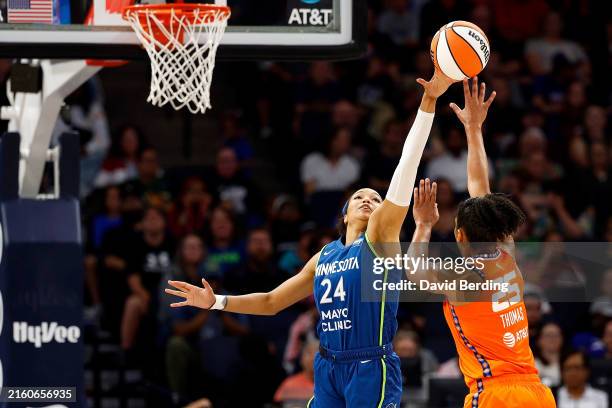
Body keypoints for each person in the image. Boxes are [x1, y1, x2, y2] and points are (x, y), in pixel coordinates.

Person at [165, 68, 456, 407]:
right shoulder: (324, 257)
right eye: (359, 197)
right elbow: (273, 302)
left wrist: (429, 101)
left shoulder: (378, 242)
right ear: (344, 214)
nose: (368, 200)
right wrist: (216, 302)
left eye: (375, 199)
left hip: (368, 365)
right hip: (327, 364)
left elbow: (405, 167)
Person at [408, 77, 556, 407]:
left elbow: (414, 272)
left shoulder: (463, 276)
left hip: (495, 392)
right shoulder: (506, 255)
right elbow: (481, 190)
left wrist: (422, 226)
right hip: (536, 392)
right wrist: (474, 129)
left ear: (459, 235)